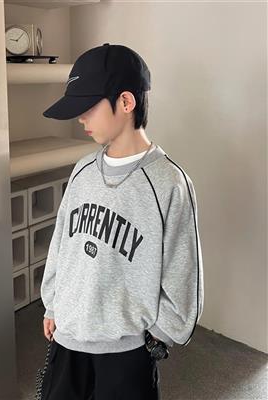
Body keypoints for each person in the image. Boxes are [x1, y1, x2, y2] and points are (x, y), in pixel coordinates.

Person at [39, 43, 204, 400]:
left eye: (88, 106)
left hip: (126, 352)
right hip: (68, 337)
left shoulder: (169, 183)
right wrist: (53, 304)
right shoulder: (82, 170)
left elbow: (183, 270)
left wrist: (160, 334)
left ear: (126, 102)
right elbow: (61, 245)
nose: (80, 118)